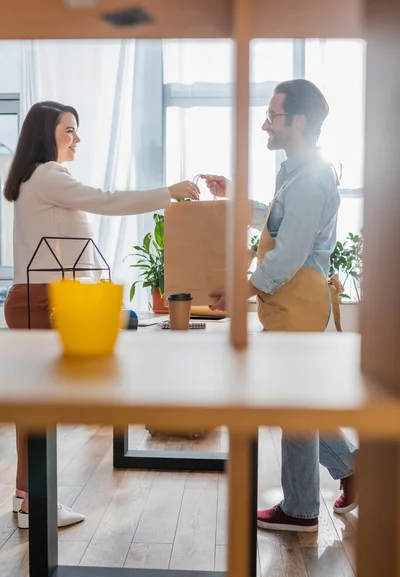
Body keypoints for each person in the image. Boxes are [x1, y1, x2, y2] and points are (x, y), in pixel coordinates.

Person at [3, 100, 200, 529]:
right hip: (44, 300)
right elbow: (107, 201)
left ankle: (27, 498)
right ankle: (33, 501)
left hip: (33, 297)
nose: (77, 139)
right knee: (43, 406)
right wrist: (169, 191)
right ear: (46, 134)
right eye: (69, 130)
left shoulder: (33, 179)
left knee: (35, 406)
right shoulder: (49, 175)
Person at [201, 79, 357, 532]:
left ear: (299, 122)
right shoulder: (297, 171)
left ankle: (303, 509)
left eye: (273, 115)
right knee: (297, 399)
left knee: (294, 403)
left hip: (300, 303)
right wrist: (234, 197)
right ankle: (353, 468)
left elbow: (288, 253)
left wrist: (244, 290)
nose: (265, 123)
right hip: (296, 303)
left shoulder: (309, 177)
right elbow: (278, 218)